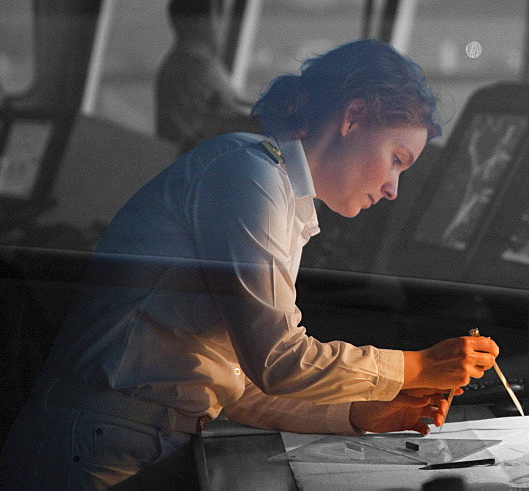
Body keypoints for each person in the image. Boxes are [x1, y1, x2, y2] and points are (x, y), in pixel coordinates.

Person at [0, 39, 500, 489]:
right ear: (352, 116)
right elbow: (280, 361)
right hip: (94, 453)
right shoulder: (247, 172)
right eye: (396, 158)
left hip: (128, 441)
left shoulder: (284, 198)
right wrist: (417, 366)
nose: (393, 189)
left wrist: (362, 413)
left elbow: (239, 384)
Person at [155, 0, 260, 152]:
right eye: (212, 17)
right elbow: (234, 113)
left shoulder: (177, 63)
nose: (216, 24)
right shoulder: (196, 67)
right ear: (187, 21)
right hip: (194, 160)